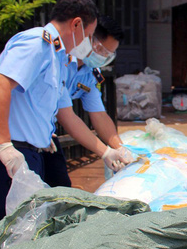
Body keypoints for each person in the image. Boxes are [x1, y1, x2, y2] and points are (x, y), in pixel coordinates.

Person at [0, 0, 131, 221]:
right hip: (11, 156)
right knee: (17, 235)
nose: (85, 42)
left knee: (37, 227)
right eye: (88, 36)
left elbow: (67, 115)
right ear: (76, 25)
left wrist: (107, 151)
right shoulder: (37, 43)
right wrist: (4, 145)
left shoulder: (58, 57)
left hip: (32, 152)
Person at [43, 15, 132, 187]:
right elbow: (66, 116)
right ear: (90, 38)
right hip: (27, 133)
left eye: (109, 55)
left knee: (60, 188)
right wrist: (105, 152)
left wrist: (120, 149)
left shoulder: (90, 73)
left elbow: (99, 114)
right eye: (102, 51)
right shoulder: (60, 60)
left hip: (47, 134)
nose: (103, 57)